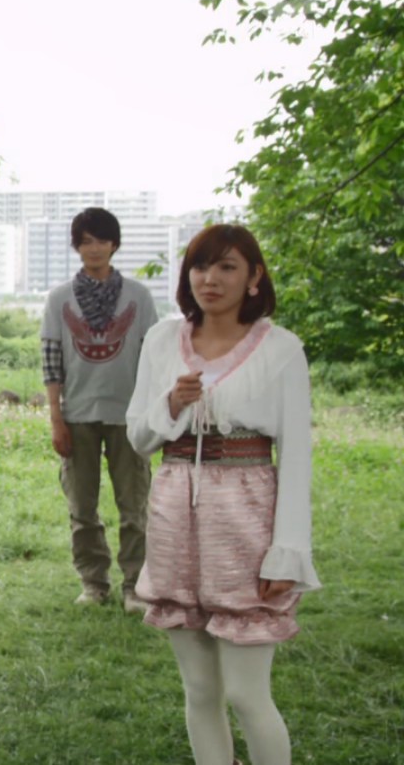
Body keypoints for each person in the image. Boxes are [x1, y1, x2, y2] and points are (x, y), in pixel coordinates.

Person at [127, 224, 319, 765]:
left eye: (227, 267)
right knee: (200, 690)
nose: (210, 278)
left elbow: (296, 456)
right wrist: (171, 404)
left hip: (246, 518)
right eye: (200, 266)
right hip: (174, 514)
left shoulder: (281, 349)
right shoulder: (162, 340)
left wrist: (288, 551)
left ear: (254, 277)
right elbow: (138, 437)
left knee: (246, 694)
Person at [40, 206, 159, 611]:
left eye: (102, 240)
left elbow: (152, 357)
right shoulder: (59, 299)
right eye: (86, 241)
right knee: (82, 508)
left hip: (130, 416)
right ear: (76, 246)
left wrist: (151, 414)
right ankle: (93, 583)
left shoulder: (138, 297)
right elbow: (51, 361)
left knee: (134, 508)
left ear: (114, 245)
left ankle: (136, 586)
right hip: (77, 415)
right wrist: (56, 418)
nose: (94, 248)